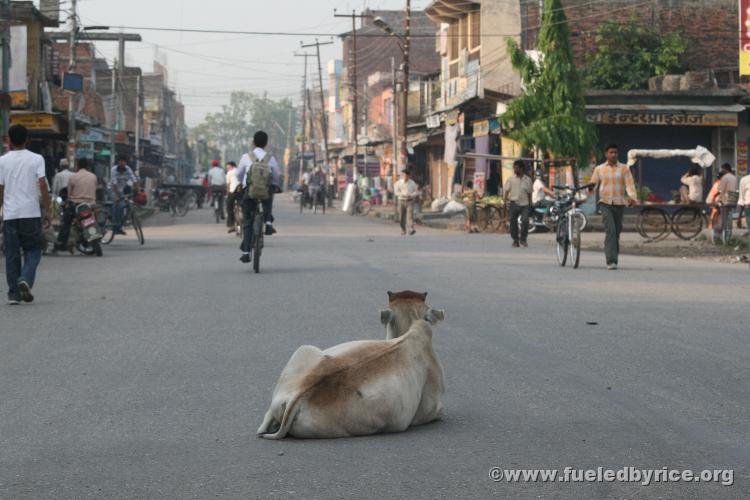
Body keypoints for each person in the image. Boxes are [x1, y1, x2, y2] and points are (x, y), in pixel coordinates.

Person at [0, 124, 52, 304]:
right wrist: (48, 209)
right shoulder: (37, 159)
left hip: (10, 214)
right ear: (27, 139)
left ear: (9, 140)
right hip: (30, 213)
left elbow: (1, 189)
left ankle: (13, 294)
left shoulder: (2, 161)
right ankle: (25, 279)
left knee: (12, 254)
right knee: (34, 250)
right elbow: (43, 185)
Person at [588, 144, 638, 270]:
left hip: (619, 204)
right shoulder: (599, 169)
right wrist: (590, 186)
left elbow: (630, 185)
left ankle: (613, 256)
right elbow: (593, 183)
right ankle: (611, 261)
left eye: (615, 152)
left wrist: (632, 198)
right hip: (605, 203)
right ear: (606, 154)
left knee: (616, 232)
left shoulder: (624, 168)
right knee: (610, 230)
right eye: (611, 152)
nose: (614, 154)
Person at [237, 131, 281, 263]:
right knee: (268, 199)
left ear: (253, 142)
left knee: (248, 221)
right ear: (266, 143)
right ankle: (268, 223)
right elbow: (277, 175)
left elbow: (239, 174)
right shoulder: (270, 158)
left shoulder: (246, 157)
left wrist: (242, 183)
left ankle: (245, 253)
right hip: (265, 191)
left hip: (249, 192)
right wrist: (275, 185)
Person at [54, 158, 97, 252]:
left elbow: (69, 195)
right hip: (91, 204)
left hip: (77, 205)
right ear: (88, 166)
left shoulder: (73, 177)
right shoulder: (93, 176)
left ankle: (61, 243)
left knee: (66, 223)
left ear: (77, 166)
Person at [503, 160, 533, 248]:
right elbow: (506, 192)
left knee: (525, 221)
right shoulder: (511, 180)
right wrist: (504, 202)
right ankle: (515, 240)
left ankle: (523, 239)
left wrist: (530, 205)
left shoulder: (528, 180)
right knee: (513, 222)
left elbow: (529, 194)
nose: (515, 170)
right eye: (514, 168)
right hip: (514, 203)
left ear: (521, 168)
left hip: (525, 204)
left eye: (516, 168)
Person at [110, 156, 138, 235]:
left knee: (124, 207)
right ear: (118, 162)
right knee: (117, 206)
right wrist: (117, 196)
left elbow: (134, 179)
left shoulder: (128, 169)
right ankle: (115, 226)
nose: (122, 163)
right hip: (113, 189)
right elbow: (114, 184)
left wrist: (137, 190)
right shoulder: (114, 170)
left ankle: (120, 225)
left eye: (124, 161)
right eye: (121, 161)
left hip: (122, 190)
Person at [715, 163, 738, 238]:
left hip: (726, 199)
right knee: (728, 213)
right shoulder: (734, 177)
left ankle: (720, 230)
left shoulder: (724, 178)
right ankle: (727, 227)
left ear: (726, 169)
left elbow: (721, 191)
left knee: (722, 215)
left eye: (722, 169)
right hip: (733, 199)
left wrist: (718, 200)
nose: (721, 170)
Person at [395, 168, 418, 235]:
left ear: (409, 176)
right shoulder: (398, 183)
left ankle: (411, 229)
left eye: (406, 176)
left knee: (410, 216)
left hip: (410, 201)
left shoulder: (412, 183)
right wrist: (403, 194)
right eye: (403, 175)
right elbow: (396, 192)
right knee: (401, 217)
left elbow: (416, 192)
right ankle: (403, 229)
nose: (405, 177)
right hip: (401, 201)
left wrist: (411, 195)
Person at [225, 161, 239, 233]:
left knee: (229, 207)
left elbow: (228, 185)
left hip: (233, 192)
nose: (228, 169)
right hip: (241, 192)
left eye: (229, 167)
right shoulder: (240, 171)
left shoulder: (230, 173)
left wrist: (227, 194)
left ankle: (232, 225)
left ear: (233, 166)